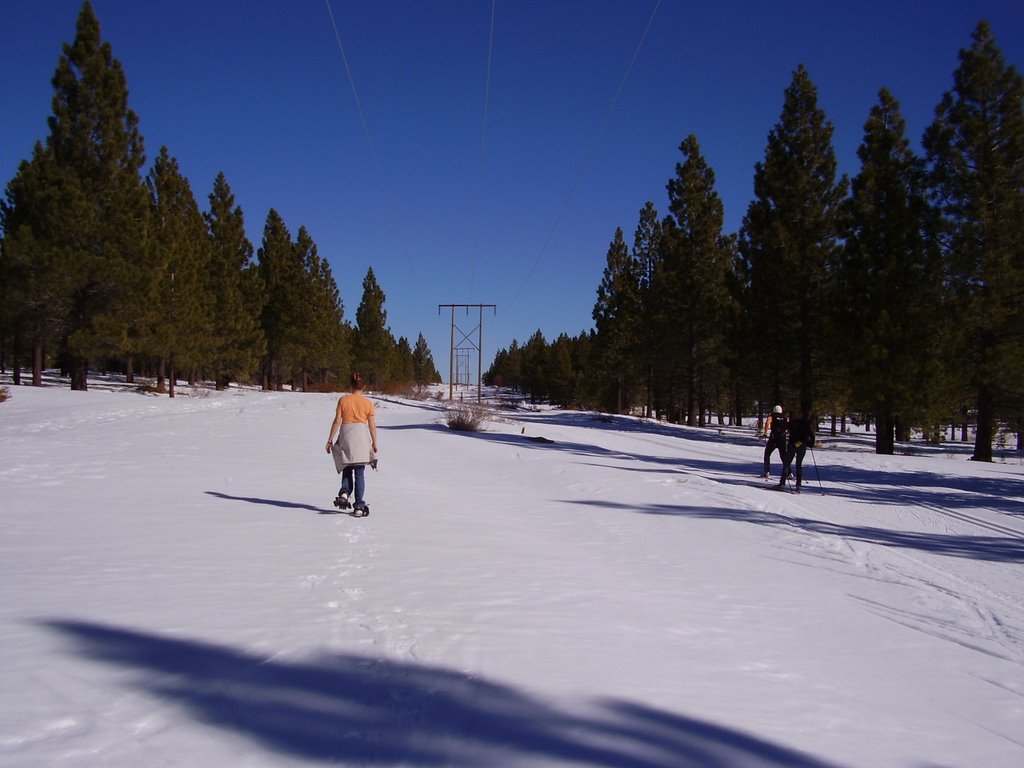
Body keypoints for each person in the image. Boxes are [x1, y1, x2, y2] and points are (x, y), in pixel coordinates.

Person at [325, 372, 378, 516]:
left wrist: (330, 440)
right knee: (359, 473)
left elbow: (337, 422)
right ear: (364, 387)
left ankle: (344, 493)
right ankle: (359, 507)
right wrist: (374, 442)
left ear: (350, 385)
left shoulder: (343, 400)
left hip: (347, 435)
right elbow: (372, 426)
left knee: (347, 468)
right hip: (361, 437)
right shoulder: (368, 403)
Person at [779, 409, 815, 492]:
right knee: (799, 464)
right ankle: (798, 485)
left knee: (787, 464)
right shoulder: (806, 424)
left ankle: (782, 483)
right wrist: (811, 444)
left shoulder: (792, 423)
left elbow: (784, 427)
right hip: (802, 445)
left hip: (793, 445)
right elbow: (811, 435)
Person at [762, 405, 787, 478]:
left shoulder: (772, 416)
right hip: (782, 439)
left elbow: (767, 422)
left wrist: (765, 432)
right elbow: (788, 426)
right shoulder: (785, 417)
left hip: (774, 439)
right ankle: (788, 472)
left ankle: (767, 471)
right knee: (783, 456)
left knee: (767, 454)